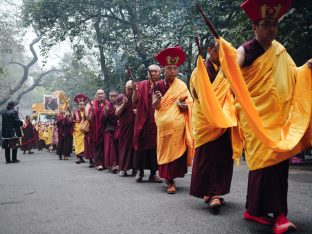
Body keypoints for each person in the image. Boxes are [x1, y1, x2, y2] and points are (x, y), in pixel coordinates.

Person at [217, 0, 312, 233]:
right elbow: (231, 71)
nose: (272, 29)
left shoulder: (280, 50)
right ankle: (279, 215)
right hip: (256, 119)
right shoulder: (245, 50)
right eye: (267, 24)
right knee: (265, 165)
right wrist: (229, 63)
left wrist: (308, 68)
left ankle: (253, 210)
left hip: (278, 120)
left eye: (275, 24)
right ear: (255, 27)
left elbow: (293, 77)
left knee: (276, 166)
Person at [189, 40, 234, 209]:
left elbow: (232, 92)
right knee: (206, 158)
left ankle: (214, 192)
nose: (221, 55)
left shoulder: (226, 72)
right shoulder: (198, 71)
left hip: (223, 121)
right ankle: (211, 192)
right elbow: (198, 95)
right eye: (217, 51)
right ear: (209, 50)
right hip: (205, 121)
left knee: (221, 157)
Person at [153, 46, 194, 194]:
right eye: (169, 68)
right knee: (166, 152)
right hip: (164, 124)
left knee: (176, 154)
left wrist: (185, 107)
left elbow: (190, 102)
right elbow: (156, 106)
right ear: (164, 69)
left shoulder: (181, 85)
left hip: (179, 127)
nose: (172, 71)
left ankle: (172, 178)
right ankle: (168, 179)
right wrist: (157, 100)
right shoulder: (158, 85)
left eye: (175, 69)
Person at [132, 64, 163, 183]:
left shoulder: (161, 85)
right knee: (140, 145)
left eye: (156, 71)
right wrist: (135, 90)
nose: (153, 73)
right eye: (151, 71)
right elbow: (134, 100)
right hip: (142, 120)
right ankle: (140, 171)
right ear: (147, 73)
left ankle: (153, 173)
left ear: (159, 73)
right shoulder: (141, 84)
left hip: (155, 120)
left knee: (154, 147)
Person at [115, 81, 136, 176]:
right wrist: (123, 104)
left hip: (135, 126)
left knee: (134, 147)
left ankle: (135, 168)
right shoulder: (121, 97)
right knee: (124, 147)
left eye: (132, 89)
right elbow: (117, 113)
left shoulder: (136, 97)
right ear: (125, 88)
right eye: (129, 89)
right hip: (125, 127)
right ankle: (123, 168)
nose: (131, 91)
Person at [73, 93, 88, 164]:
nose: (81, 105)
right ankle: (78, 157)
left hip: (85, 128)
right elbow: (72, 120)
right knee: (78, 143)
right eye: (80, 104)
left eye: (83, 104)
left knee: (84, 143)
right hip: (77, 129)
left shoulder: (87, 111)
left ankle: (82, 157)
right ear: (78, 105)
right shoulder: (75, 112)